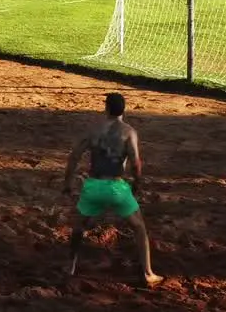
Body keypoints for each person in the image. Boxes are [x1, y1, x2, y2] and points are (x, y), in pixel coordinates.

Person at [62, 93, 163, 287]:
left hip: (93, 186)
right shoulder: (129, 132)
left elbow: (74, 157)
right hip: (117, 187)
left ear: (106, 108)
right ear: (123, 110)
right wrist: (136, 184)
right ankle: (148, 273)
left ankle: (71, 266)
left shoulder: (94, 130)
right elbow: (136, 163)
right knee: (139, 227)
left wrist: (67, 183)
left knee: (78, 227)